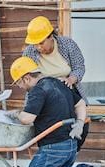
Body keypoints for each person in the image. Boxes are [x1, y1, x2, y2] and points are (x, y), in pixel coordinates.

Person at [6, 56, 101, 167]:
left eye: (19, 83)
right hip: (71, 146)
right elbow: (80, 103)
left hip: (54, 149)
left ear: (26, 78)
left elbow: (27, 119)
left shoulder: (38, 90)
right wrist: (80, 123)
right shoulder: (59, 83)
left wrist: (16, 113)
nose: (20, 87)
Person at [22, 16, 89, 152]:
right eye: (35, 44)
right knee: (48, 132)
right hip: (45, 96)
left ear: (50, 36)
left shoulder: (67, 45)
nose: (38, 47)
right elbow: (27, 76)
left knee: (79, 129)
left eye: (41, 43)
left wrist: (71, 79)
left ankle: (70, 156)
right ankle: (51, 156)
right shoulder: (29, 52)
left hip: (68, 92)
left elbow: (79, 67)